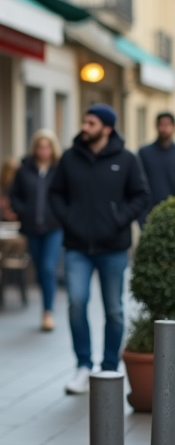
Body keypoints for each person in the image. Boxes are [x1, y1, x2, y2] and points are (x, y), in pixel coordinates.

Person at [48, 104, 149, 395]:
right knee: (76, 303)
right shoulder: (70, 157)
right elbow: (55, 193)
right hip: (77, 247)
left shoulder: (126, 159)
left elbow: (141, 195)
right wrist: (69, 218)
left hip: (113, 247)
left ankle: (108, 367)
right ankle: (83, 365)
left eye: (91, 123)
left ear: (107, 128)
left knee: (114, 310)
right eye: (84, 121)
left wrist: (118, 219)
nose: (84, 127)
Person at [8, 130, 64, 332]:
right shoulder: (25, 170)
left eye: (47, 146)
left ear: (52, 148)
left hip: (54, 227)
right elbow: (13, 195)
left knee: (48, 267)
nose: (43, 150)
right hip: (32, 227)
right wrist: (22, 211)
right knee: (40, 270)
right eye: (40, 146)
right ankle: (46, 305)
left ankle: (48, 312)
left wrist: (62, 214)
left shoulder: (59, 170)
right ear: (35, 148)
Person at [138, 111, 175, 225]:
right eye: (161, 124)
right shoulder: (144, 153)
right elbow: (138, 185)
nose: (164, 128)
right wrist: (142, 218)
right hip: (150, 215)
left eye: (168, 124)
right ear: (156, 126)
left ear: (173, 127)